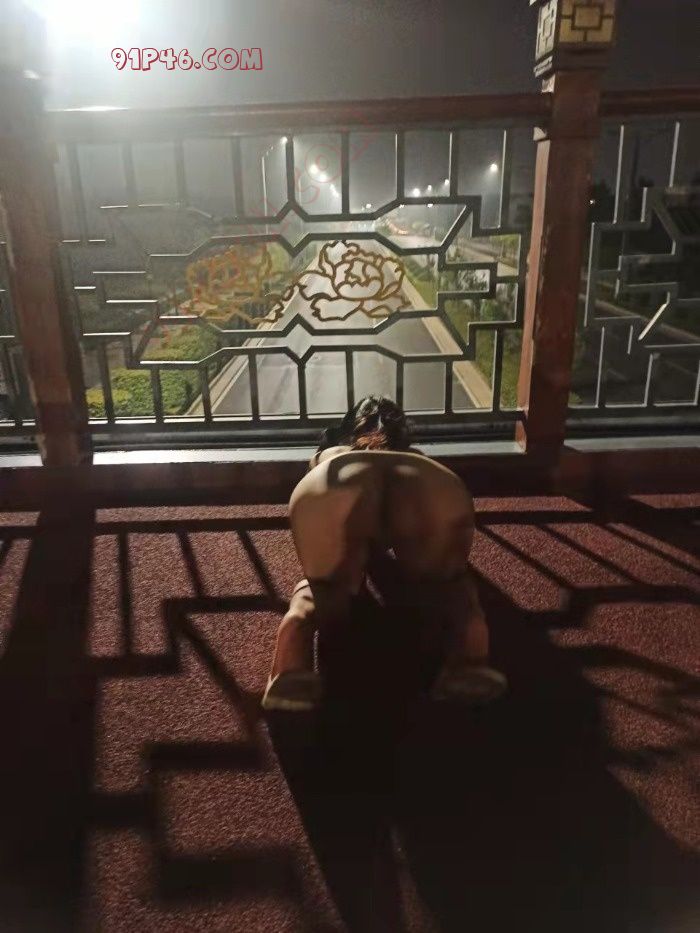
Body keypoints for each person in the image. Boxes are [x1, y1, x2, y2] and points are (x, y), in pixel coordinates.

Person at [262, 395, 507, 712]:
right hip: (426, 480)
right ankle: (471, 652)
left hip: (336, 478)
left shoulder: (331, 454)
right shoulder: (414, 456)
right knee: (447, 584)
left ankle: (293, 654)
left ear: (349, 430)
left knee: (325, 589)